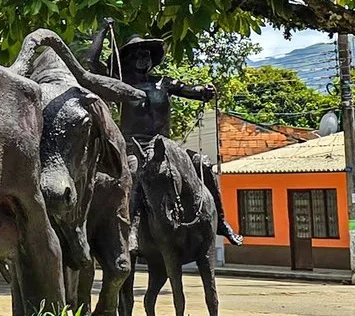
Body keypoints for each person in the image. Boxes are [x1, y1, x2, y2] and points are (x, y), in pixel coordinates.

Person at [90, 25, 242, 246]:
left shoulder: (163, 82)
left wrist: (204, 91)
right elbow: (93, 65)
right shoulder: (121, 83)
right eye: (138, 55)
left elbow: (190, 90)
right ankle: (131, 230)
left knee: (205, 164)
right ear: (129, 59)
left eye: (147, 54)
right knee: (135, 171)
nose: (144, 58)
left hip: (166, 146)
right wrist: (103, 31)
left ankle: (221, 221)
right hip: (135, 146)